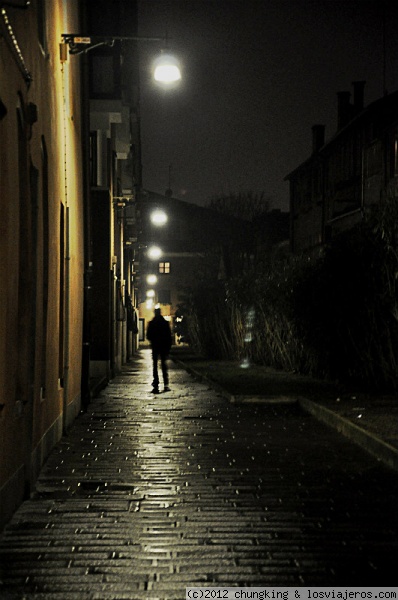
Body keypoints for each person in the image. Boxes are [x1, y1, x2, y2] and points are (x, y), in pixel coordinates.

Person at [146, 307, 172, 393]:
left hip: (155, 346)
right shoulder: (165, 323)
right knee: (164, 365)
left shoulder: (152, 323)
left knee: (155, 366)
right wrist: (168, 347)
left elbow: (148, 336)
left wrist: (153, 340)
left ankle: (156, 384)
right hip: (163, 346)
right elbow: (169, 336)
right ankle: (166, 384)